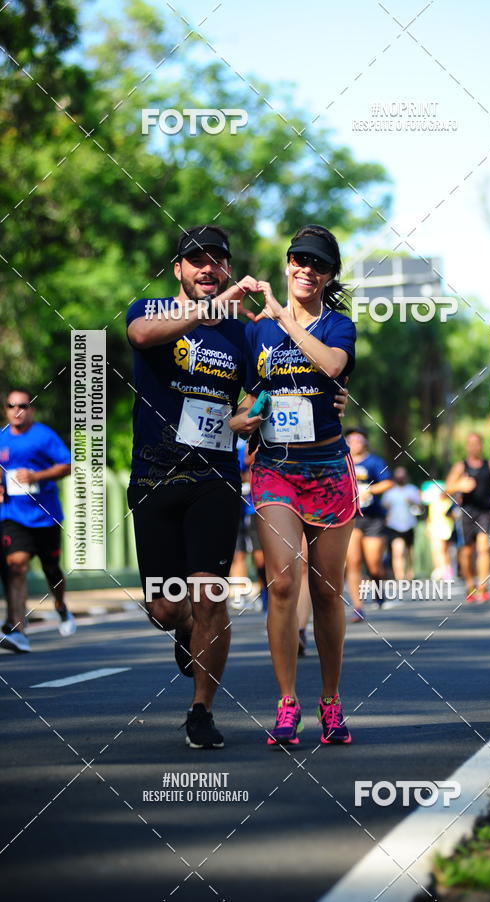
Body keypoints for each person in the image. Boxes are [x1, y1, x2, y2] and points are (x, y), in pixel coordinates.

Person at [126, 225, 347, 750]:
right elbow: (140, 339)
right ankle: (183, 629)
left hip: (216, 477)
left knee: (209, 595)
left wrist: (325, 403)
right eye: (196, 261)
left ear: (226, 267)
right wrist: (221, 303)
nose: (207, 268)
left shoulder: (242, 333)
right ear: (178, 270)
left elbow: (273, 387)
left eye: (217, 261)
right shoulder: (150, 309)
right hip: (155, 473)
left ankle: (201, 710)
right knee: (166, 609)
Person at [231, 224, 358, 746]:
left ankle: (330, 701)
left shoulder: (338, 325)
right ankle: (287, 704)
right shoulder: (256, 332)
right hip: (275, 468)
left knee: (327, 592)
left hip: (328, 468)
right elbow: (247, 400)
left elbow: (331, 365)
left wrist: (286, 319)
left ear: (329, 276)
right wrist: (242, 420)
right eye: (298, 260)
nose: (306, 269)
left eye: (318, 264)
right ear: (287, 265)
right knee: (283, 584)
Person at [0, 389, 73, 653]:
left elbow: (66, 466)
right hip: (12, 515)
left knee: (51, 570)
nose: (16, 410)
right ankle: (18, 630)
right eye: (11, 405)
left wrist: (36, 476)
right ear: (6, 409)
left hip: (45, 515)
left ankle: (60, 605)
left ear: (31, 409)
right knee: (16, 565)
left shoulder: (43, 436)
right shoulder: (2, 439)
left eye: (22, 405)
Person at [344, 428, 393, 622]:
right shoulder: (341, 461)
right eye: (351, 440)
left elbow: (387, 483)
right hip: (350, 517)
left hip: (373, 517)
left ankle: (379, 588)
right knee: (353, 561)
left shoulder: (374, 462)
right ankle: (357, 607)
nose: (355, 443)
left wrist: (370, 490)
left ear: (364, 442)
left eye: (359, 440)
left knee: (373, 565)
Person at [445, 432, 490, 603]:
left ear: (481, 445)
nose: (473, 447)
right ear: (467, 446)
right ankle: (469, 584)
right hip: (465, 512)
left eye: (476, 443)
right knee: (466, 552)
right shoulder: (460, 467)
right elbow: (446, 490)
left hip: (485, 512)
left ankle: (483, 587)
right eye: (470, 443)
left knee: (484, 548)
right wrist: (460, 486)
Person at [381, 467, 421, 580]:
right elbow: (384, 507)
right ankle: (400, 577)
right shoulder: (389, 492)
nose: (400, 478)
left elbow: (420, 506)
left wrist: (412, 502)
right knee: (397, 551)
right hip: (394, 525)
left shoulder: (412, 490)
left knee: (409, 551)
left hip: (409, 525)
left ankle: (410, 572)